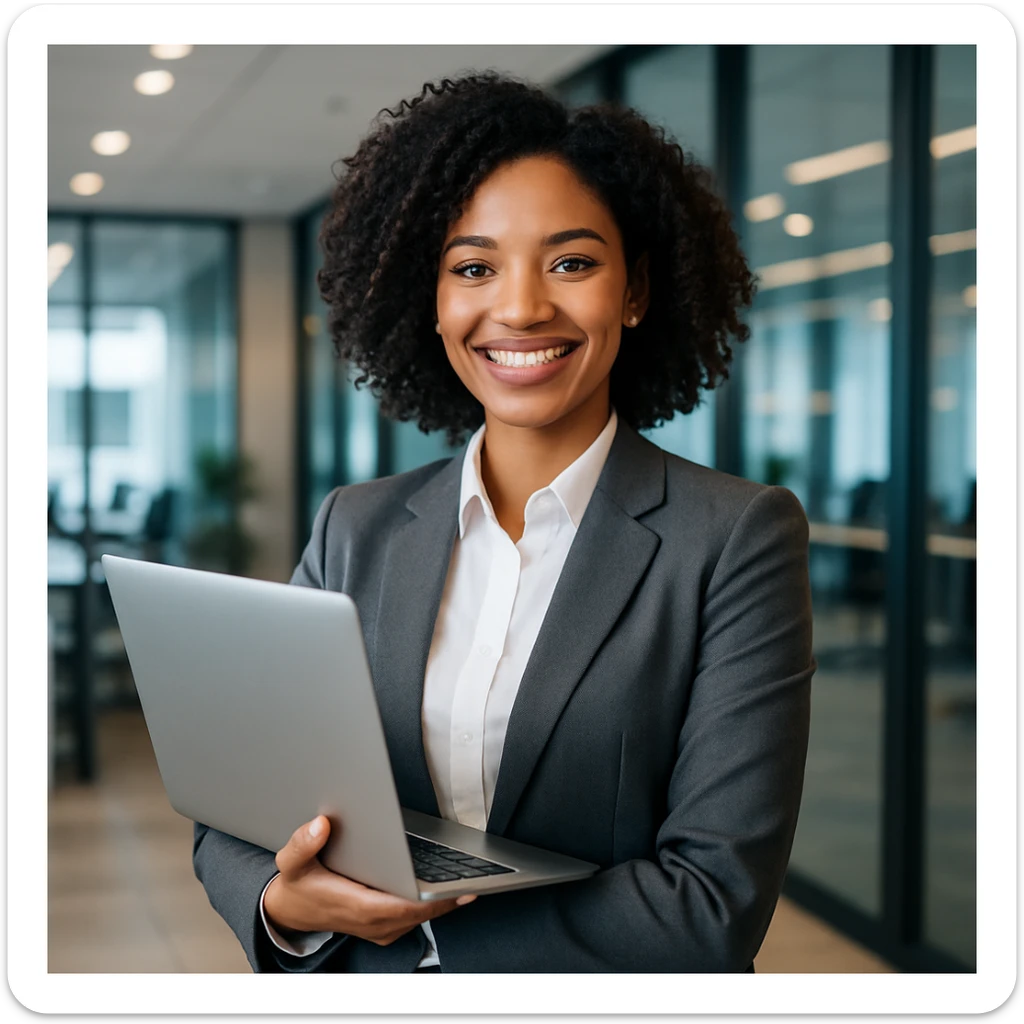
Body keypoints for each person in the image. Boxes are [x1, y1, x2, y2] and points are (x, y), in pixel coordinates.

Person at [192, 72, 815, 973]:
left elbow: (712, 901)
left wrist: (429, 928)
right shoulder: (354, 528)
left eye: (571, 262)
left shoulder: (734, 538)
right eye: (474, 267)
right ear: (434, 303)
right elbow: (243, 808)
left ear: (635, 291)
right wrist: (284, 903)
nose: (520, 307)